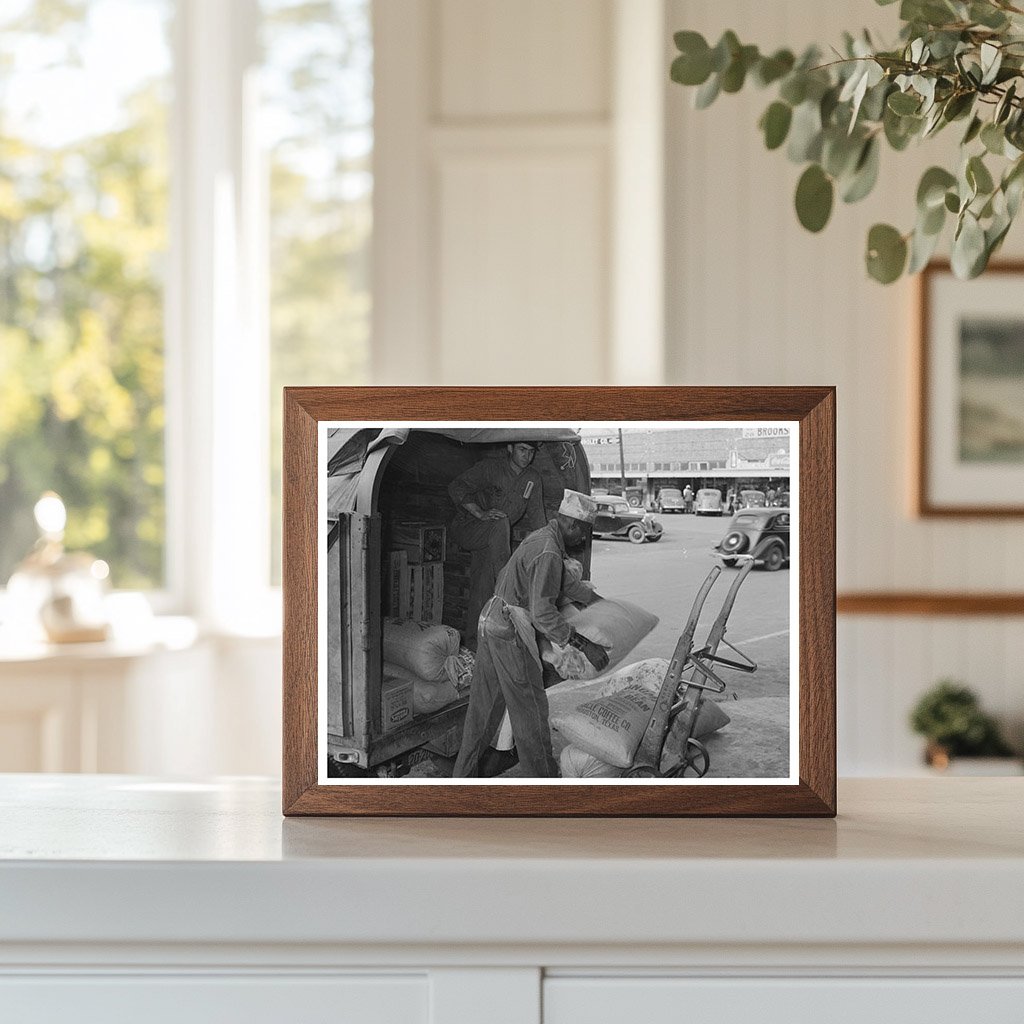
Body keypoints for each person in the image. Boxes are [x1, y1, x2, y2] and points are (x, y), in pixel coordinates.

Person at [453, 490, 610, 778]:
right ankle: (545, 784)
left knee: (482, 711)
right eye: (585, 532)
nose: (584, 540)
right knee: (531, 711)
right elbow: (543, 614)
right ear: (572, 524)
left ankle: (460, 781)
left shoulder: (544, 538)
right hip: (509, 630)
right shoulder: (549, 550)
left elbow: (562, 582)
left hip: (491, 619)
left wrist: (597, 602)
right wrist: (585, 645)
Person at [448, 441, 547, 649]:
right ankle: (507, 586)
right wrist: (479, 513)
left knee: (482, 590)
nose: (527, 456)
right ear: (510, 448)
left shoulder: (532, 479)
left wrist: (547, 549)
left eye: (531, 452)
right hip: (469, 527)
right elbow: (456, 486)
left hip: (493, 540)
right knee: (500, 523)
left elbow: (538, 519)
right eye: (522, 450)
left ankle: (476, 646)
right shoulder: (490, 468)